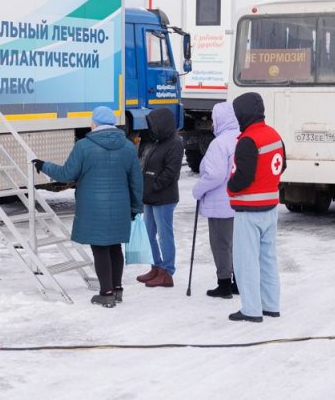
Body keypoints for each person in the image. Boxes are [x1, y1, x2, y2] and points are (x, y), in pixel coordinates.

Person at [32, 106, 143, 308]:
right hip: (120, 207)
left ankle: (106, 293)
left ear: (95, 123)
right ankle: (117, 290)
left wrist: (43, 165)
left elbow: (66, 174)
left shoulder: (84, 146)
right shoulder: (128, 147)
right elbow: (136, 181)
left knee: (100, 247)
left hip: (94, 208)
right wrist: (136, 207)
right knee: (115, 246)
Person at [227, 92, 285, 322]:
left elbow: (243, 178)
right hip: (270, 207)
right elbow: (283, 166)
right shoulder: (274, 135)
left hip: (249, 211)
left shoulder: (248, 141)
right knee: (268, 259)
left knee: (246, 261)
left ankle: (251, 309)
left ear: (244, 113)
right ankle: (271, 305)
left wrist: (230, 186)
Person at [191, 101, 239, 299]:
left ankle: (224, 284)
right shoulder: (241, 138)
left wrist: (197, 190)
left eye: (214, 119)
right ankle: (240, 281)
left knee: (221, 245)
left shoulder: (219, 143)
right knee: (236, 244)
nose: (212, 124)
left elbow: (215, 175)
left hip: (221, 204)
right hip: (239, 201)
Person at [135, 107, 183, 288]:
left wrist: (154, 186)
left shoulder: (175, 143)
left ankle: (167, 271)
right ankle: (156, 266)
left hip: (164, 197)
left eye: (154, 124)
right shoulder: (158, 141)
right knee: (148, 235)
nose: (151, 128)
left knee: (164, 235)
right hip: (150, 196)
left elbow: (171, 173)